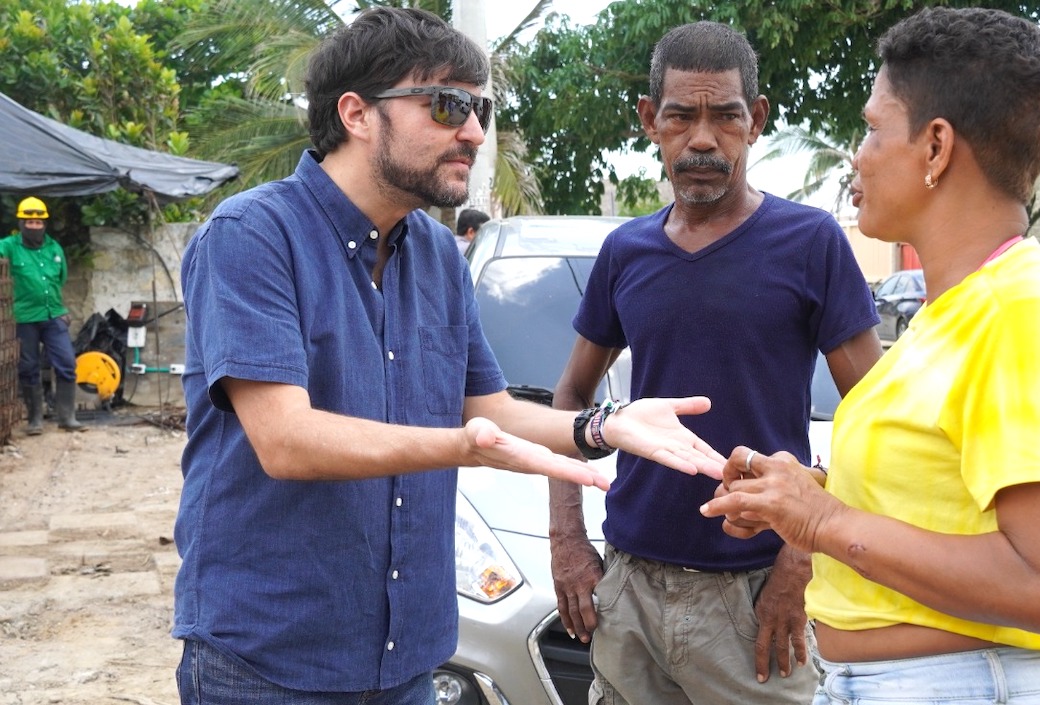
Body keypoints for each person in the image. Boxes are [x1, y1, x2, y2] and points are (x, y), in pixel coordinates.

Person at [172, 8, 724, 705]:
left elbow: (487, 408)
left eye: (480, 108)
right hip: (269, 660)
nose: (472, 130)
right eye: (447, 104)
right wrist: (465, 446)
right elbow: (286, 439)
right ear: (356, 113)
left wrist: (601, 426)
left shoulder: (434, 253)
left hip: (410, 660)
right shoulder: (252, 236)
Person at [702, 8, 1040, 704]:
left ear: (936, 147)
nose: (856, 154)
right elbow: (932, 507)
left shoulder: (1023, 310)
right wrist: (801, 494)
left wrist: (826, 524)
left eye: (871, 127)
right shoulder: (946, 314)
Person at [548, 21, 883, 705]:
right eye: (681, 116)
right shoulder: (626, 251)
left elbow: (876, 414)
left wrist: (799, 556)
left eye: (725, 115)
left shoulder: (810, 242)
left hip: (755, 594)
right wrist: (566, 539)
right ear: (651, 122)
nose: (703, 138)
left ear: (755, 120)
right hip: (631, 587)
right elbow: (571, 396)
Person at [0, 196, 86, 434]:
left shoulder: (54, 248)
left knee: (67, 363)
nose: (34, 227)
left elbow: (62, 278)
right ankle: (35, 420)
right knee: (29, 367)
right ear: (21, 223)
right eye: (29, 222)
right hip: (24, 317)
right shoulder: (9, 246)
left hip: (53, 315)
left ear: (44, 224)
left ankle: (67, 417)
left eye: (39, 222)